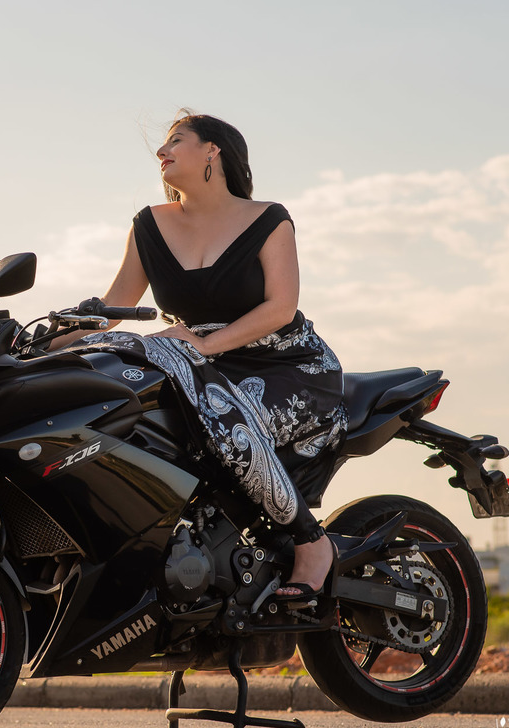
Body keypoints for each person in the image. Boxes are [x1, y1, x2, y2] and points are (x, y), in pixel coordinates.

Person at [59, 113, 346, 600]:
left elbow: (281, 307)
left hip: (286, 364)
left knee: (219, 420)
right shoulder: (149, 225)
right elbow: (113, 309)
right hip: (195, 367)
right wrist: (41, 343)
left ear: (212, 150)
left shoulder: (268, 219)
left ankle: (311, 542)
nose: (161, 151)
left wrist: (204, 345)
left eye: (176, 140)